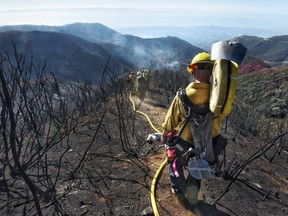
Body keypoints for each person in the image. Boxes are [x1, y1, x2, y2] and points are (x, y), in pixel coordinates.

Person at [161, 52, 227, 208]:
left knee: (174, 163)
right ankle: (191, 196)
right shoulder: (219, 97)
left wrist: (164, 136)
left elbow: (169, 123)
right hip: (210, 145)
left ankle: (178, 189)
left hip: (185, 145)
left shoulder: (183, 96)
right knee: (196, 170)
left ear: (194, 70)